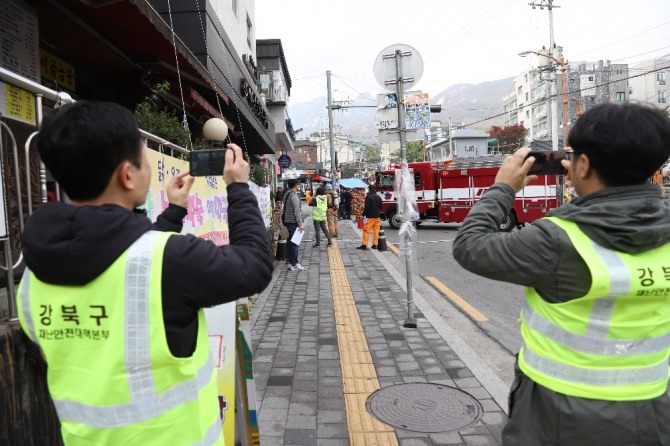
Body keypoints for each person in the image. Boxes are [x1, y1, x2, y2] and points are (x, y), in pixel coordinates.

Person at [15, 101, 273, 446]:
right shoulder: (172, 260)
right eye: (144, 159)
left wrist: (173, 213)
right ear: (126, 174)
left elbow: (116, 257)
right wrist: (239, 189)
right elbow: (254, 266)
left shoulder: (33, 276)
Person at [452, 102, 670, 446]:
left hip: (560, 415)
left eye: (574, 158)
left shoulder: (556, 239)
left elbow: (469, 246)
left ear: (582, 164)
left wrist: (503, 188)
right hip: (654, 411)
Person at [282, 178, 305, 271]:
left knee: (290, 243)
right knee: (295, 243)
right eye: (298, 185)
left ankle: (290, 262)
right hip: (293, 222)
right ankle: (295, 263)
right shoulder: (294, 196)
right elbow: (297, 211)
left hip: (287, 221)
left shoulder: (286, 194)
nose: (298, 186)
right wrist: (300, 224)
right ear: (296, 185)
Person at [356, 185, 383, 250]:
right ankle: (375, 245)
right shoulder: (378, 197)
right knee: (376, 231)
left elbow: (367, 207)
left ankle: (364, 245)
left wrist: (363, 214)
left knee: (366, 230)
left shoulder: (368, 197)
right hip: (377, 216)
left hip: (370, 217)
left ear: (369, 189)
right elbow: (381, 206)